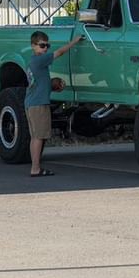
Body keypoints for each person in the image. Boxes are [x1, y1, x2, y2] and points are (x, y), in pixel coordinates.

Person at [25, 30, 84, 177]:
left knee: (35, 136)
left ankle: (35, 166)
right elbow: (60, 52)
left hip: (31, 103)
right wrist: (74, 41)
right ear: (33, 45)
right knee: (40, 136)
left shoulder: (32, 62)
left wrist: (51, 85)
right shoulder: (40, 60)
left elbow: (37, 83)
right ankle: (35, 168)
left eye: (47, 46)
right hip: (39, 105)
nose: (45, 48)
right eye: (42, 45)